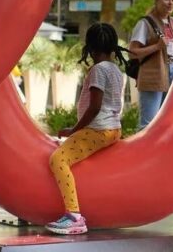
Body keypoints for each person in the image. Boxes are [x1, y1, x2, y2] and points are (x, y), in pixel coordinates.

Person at [45, 23, 126, 235]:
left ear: (90, 48)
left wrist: (74, 130)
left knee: (58, 159)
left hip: (98, 129)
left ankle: (74, 216)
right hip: (113, 128)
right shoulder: (116, 69)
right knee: (65, 150)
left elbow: (95, 106)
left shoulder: (99, 70)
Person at [128, 0, 173, 129]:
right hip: (153, 74)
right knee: (148, 123)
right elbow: (132, 52)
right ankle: (141, 151)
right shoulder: (145, 23)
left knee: (168, 121)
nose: (170, 2)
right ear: (157, 0)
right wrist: (157, 46)